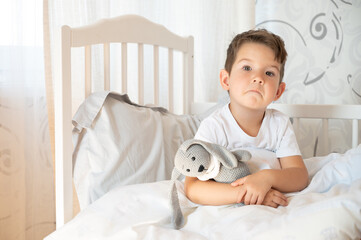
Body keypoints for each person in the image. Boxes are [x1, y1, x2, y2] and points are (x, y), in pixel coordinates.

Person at [184, 29, 309, 208]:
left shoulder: (279, 124)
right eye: (247, 68)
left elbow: (299, 176)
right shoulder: (214, 126)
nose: (258, 78)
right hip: (232, 203)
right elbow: (193, 187)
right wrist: (246, 194)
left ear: (278, 91)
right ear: (226, 80)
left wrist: (265, 179)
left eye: (269, 73)